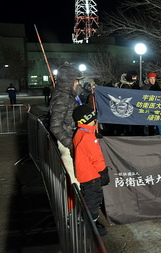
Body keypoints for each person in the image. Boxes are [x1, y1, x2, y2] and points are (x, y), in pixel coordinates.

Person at [72, 104, 109, 236]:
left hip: (85, 175)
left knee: (90, 199)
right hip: (91, 176)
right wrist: (103, 172)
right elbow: (96, 158)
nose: (95, 120)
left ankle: (89, 223)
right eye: (93, 118)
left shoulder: (81, 133)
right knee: (93, 201)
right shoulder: (87, 137)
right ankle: (89, 227)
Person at [49, 64, 83, 187]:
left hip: (73, 140)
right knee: (73, 179)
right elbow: (55, 125)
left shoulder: (68, 95)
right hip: (68, 143)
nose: (77, 84)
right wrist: (69, 144)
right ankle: (75, 203)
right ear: (68, 81)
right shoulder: (62, 98)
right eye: (76, 81)